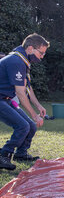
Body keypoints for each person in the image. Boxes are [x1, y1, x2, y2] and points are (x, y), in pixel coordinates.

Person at [0, 33, 49, 170]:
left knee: (31, 126)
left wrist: (38, 106)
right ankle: (4, 154)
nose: (42, 56)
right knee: (23, 126)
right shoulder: (16, 61)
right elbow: (20, 93)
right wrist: (34, 115)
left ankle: (20, 153)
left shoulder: (22, 60)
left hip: (6, 99)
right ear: (30, 48)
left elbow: (27, 87)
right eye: (41, 53)